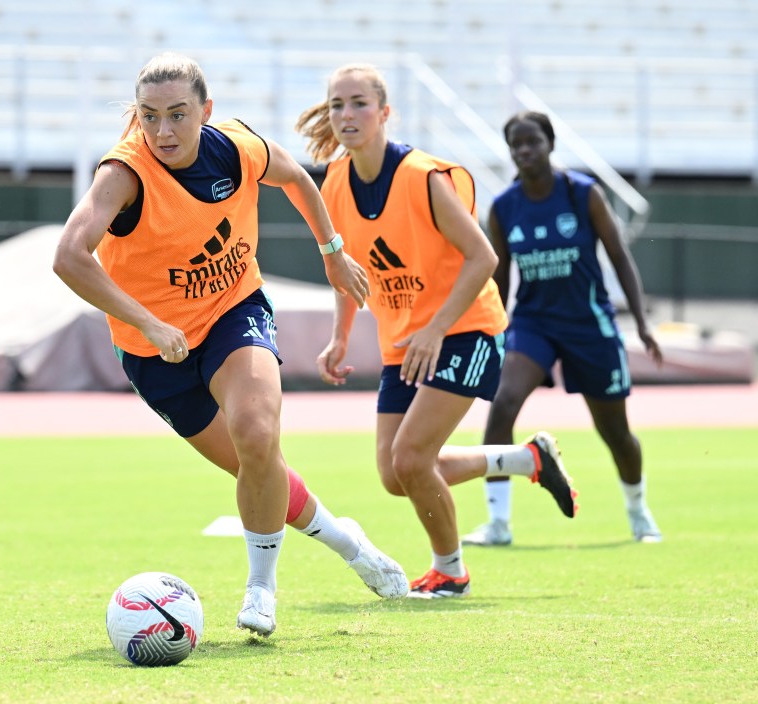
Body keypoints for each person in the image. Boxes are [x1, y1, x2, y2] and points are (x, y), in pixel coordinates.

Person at [53, 53, 409, 638]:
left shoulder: (237, 146)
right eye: (149, 117)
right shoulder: (123, 173)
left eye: (177, 115)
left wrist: (333, 252)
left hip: (232, 310)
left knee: (257, 432)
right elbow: (68, 256)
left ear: (206, 111)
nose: (163, 131)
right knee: (257, 466)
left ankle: (261, 589)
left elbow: (296, 178)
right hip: (155, 352)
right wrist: (147, 323)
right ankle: (350, 543)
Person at [295, 64, 578, 599]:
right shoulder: (333, 183)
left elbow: (483, 257)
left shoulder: (422, 177)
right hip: (408, 340)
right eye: (336, 105)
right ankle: (527, 459)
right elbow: (346, 269)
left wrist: (436, 330)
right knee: (394, 473)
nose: (346, 115)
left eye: (358, 103)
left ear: (384, 113)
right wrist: (340, 335)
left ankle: (450, 571)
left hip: (467, 329)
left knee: (411, 459)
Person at [462, 110, 664, 547]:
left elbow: (619, 257)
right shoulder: (504, 207)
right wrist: (490, 332)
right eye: (515, 144)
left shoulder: (582, 194)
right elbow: (499, 280)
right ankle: (498, 523)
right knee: (503, 404)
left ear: (550, 143)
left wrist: (642, 322)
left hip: (589, 325)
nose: (524, 150)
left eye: (532, 141)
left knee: (615, 432)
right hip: (534, 324)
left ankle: (638, 509)